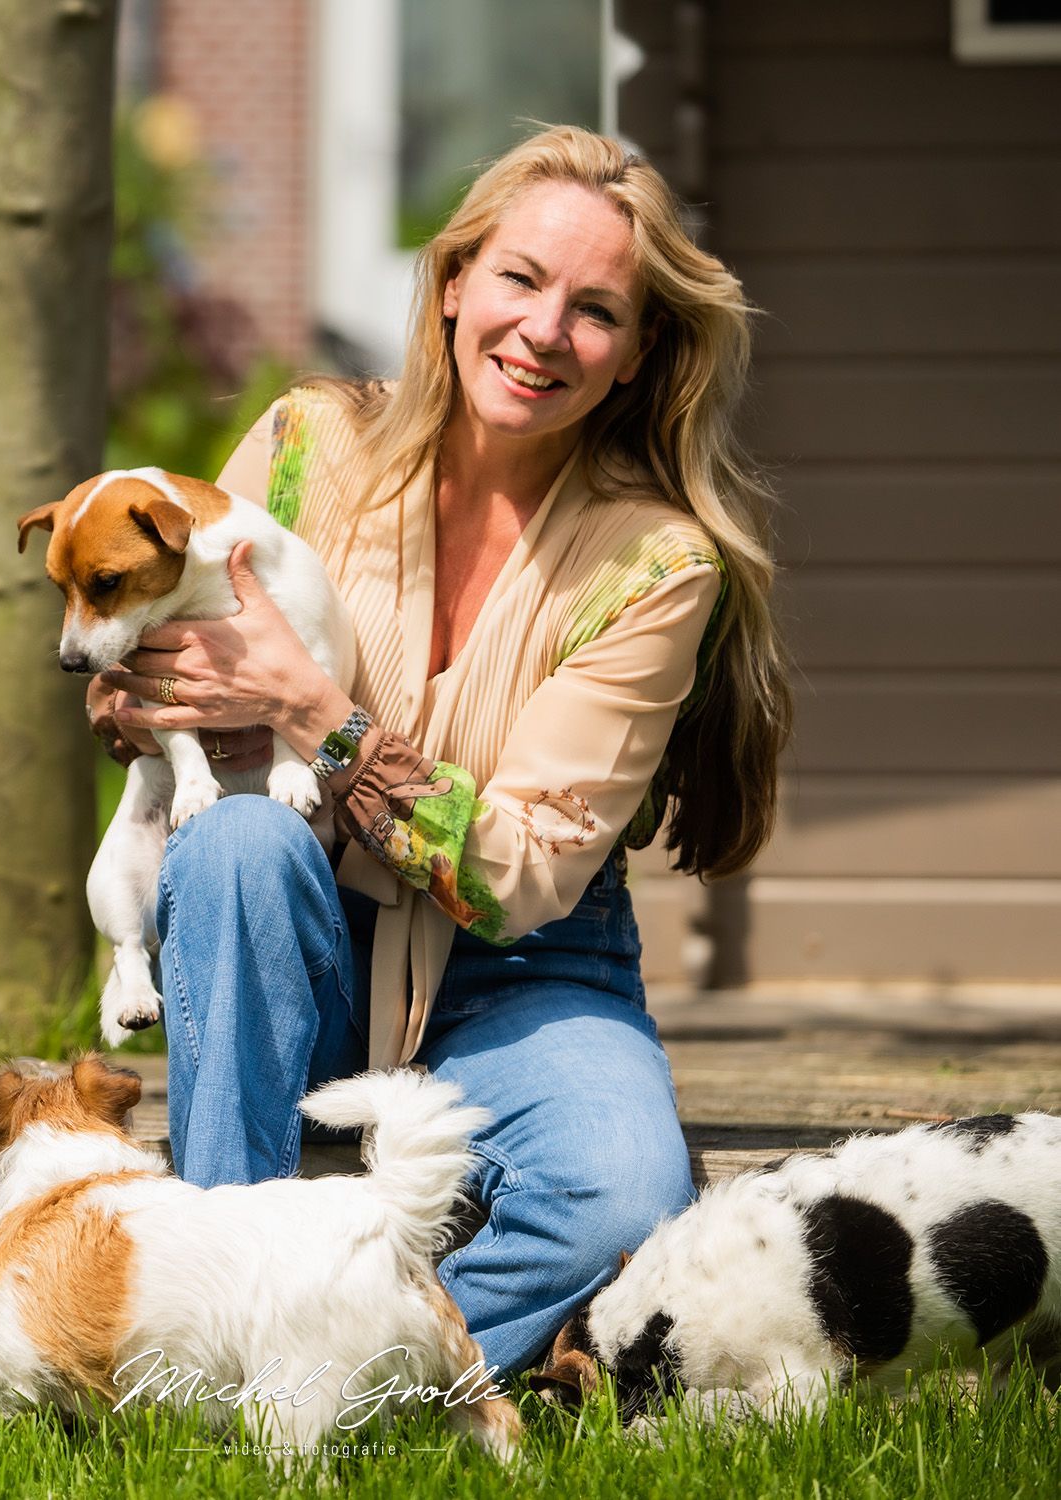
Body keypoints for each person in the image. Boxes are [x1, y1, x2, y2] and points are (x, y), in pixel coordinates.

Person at [85, 124, 793, 1383]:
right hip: (288, 922)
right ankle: (211, 1329)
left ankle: (347, 1378)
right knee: (239, 846)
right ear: (456, 280)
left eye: (596, 311)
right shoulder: (306, 445)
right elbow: (137, 671)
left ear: (637, 354)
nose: (543, 331)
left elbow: (520, 876)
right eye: (519, 278)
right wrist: (145, 702)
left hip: (524, 969)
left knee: (621, 1194)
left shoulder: (657, 564)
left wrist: (314, 712)